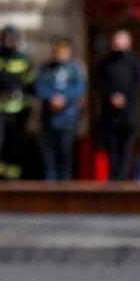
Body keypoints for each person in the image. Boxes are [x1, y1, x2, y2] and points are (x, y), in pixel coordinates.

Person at [0, 25, 33, 179]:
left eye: (11, 39)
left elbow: (29, 85)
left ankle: (12, 177)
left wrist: (27, 108)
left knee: (14, 144)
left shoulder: (22, 59)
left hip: (16, 110)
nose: (8, 42)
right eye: (5, 39)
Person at [94, 30, 140, 181]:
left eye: (121, 41)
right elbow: (99, 82)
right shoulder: (105, 63)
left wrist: (124, 97)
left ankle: (122, 176)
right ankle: (112, 175)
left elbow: (139, 83)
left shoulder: (136, 62)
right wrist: (111, 96)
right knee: (111, 147)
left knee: (126, 148)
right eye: (116, 41)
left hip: (128, 113)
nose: (117, 44)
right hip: (110, 113)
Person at [34, 38, 85, 181]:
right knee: (49, 151)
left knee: (65, 150)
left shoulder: (75, 69)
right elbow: (40, 86)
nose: (60, 55)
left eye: (63, 52)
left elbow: (79, 88)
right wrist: (51, 98)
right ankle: (50, 179)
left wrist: (64, 99)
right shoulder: (46, 68)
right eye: (58, 52)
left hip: (68, 117)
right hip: (50, 116)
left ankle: (65, 180)